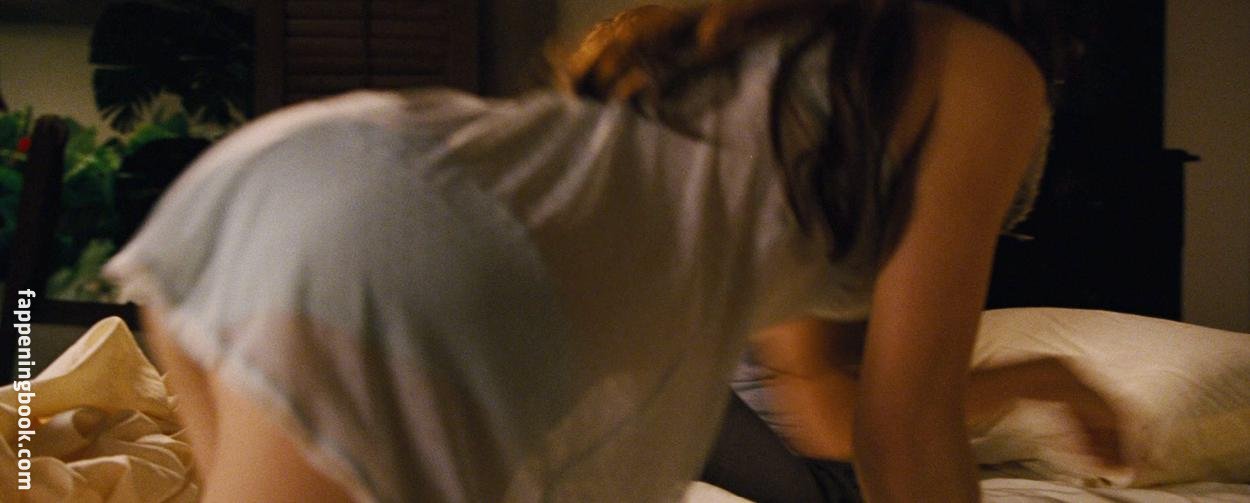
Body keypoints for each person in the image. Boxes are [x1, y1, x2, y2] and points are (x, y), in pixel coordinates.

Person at [103, 1, 1117, 501]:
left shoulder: (755, 51)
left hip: (298, 172)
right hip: (438, 267)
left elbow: (821, 409)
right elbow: (907, 427)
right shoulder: (986, 69)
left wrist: (1034, 378)